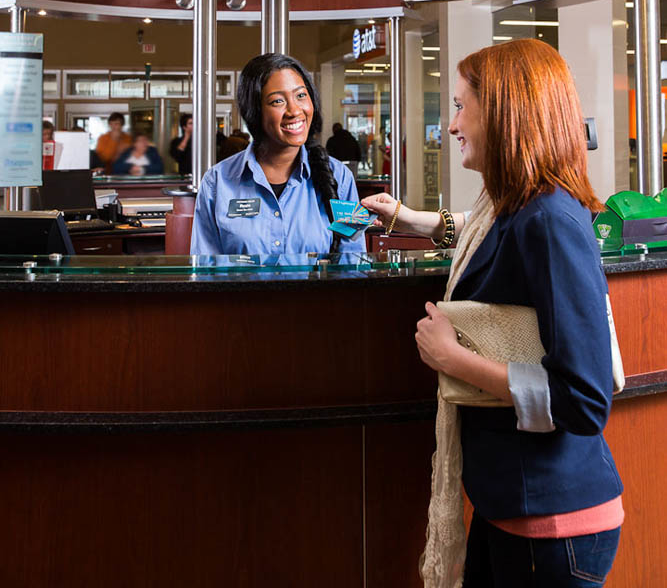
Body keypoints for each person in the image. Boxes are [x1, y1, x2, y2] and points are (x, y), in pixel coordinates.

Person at [362, 39, 622, 588]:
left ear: (503, 111)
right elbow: (482, 238)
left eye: (460, 107)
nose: (451, 125)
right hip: (515, 507)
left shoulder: (547, 221)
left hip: (552, 522)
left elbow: (584, 397)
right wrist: (410, 219)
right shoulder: (515, 206)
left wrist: (452, 357)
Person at [190, 53, 366, 264]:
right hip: (240, 298)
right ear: (255, 111)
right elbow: (204, 268)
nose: (294, 110)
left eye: (301, 95)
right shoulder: (217, 181)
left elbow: (354, 262)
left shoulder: (342, 178)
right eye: (277, 101)